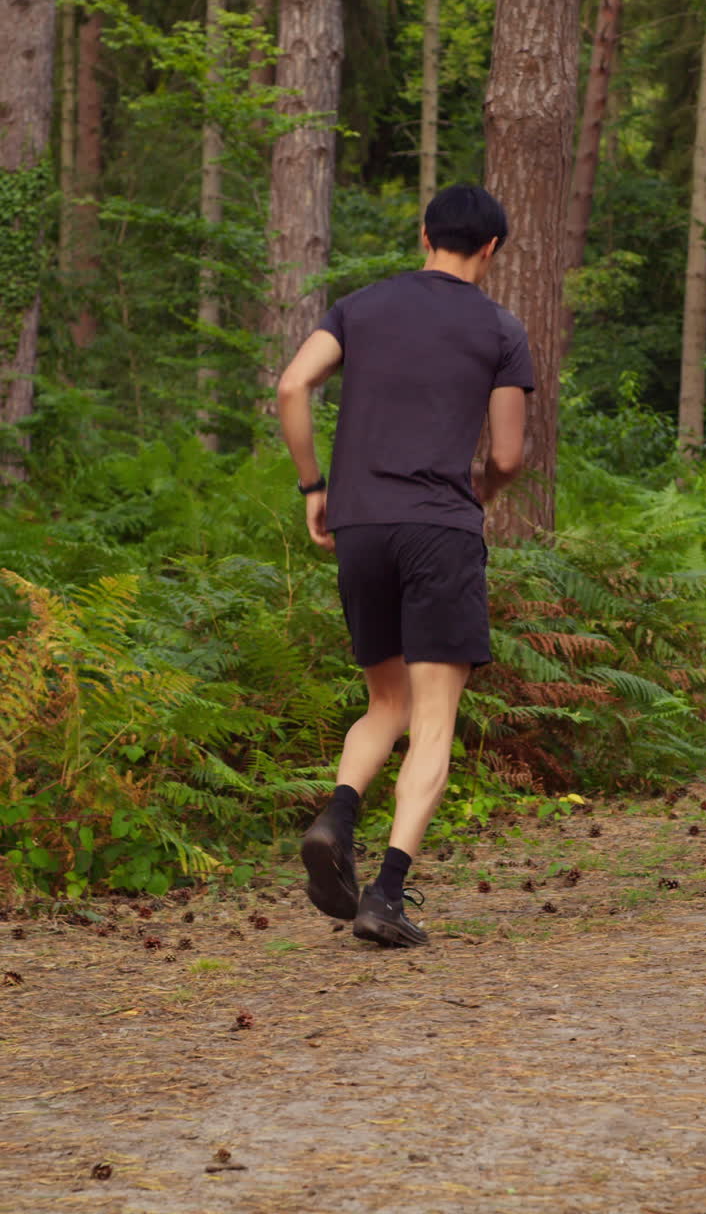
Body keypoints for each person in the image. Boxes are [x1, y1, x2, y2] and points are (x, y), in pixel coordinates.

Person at [277, 183, 534, 948]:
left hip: (360, 525)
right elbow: (511, 453)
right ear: (490, 249)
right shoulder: (499, 327)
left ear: (424, 234)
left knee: (383, 702)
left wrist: (314, 487)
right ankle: (384, 896)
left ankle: (338, 813)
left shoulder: (360, 306)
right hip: (440, 533)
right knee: (432, 721)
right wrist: (483, 486)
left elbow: (293, 385)